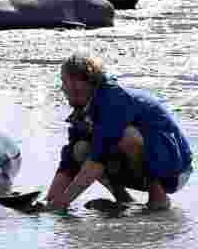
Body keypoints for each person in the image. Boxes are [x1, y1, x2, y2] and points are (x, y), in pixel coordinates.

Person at [45, 53, 192, 212]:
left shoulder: (113, 100)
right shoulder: (85, 106)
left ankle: (158, 198)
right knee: (80, 149)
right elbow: (69, 163)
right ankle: (124, 200)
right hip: (144, 166)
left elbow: (98, 160)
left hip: (174, 170)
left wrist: (63, 202)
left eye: (64, 81)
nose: (63, 88)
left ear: (80, 82)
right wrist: (49, 199)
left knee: (127, 136)